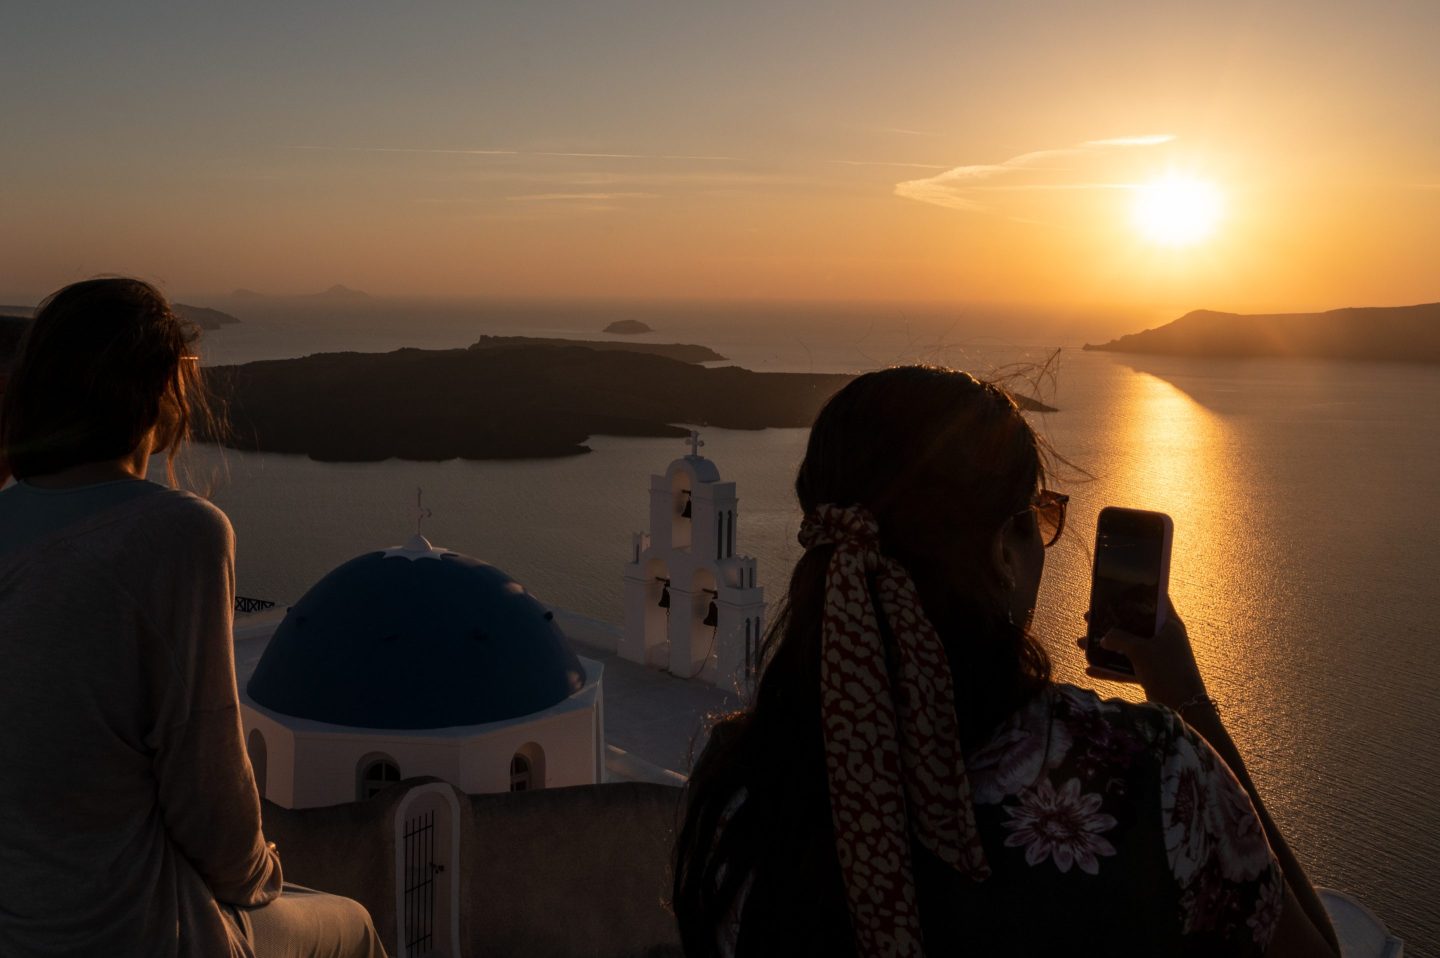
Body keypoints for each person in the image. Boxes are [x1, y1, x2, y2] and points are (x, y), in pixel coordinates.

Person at [672, 365, 1341, 957]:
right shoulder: (1150, 770)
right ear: (1002, 550)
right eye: (1041, 516)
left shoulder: (737, 772)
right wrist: (1185, 702)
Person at [0, 278, 386, 957]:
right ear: (159, 396)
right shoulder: (177, 533)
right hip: (129, 927)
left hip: (19, 917)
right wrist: (262, 876)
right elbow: (207, 793)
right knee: (349, 925)